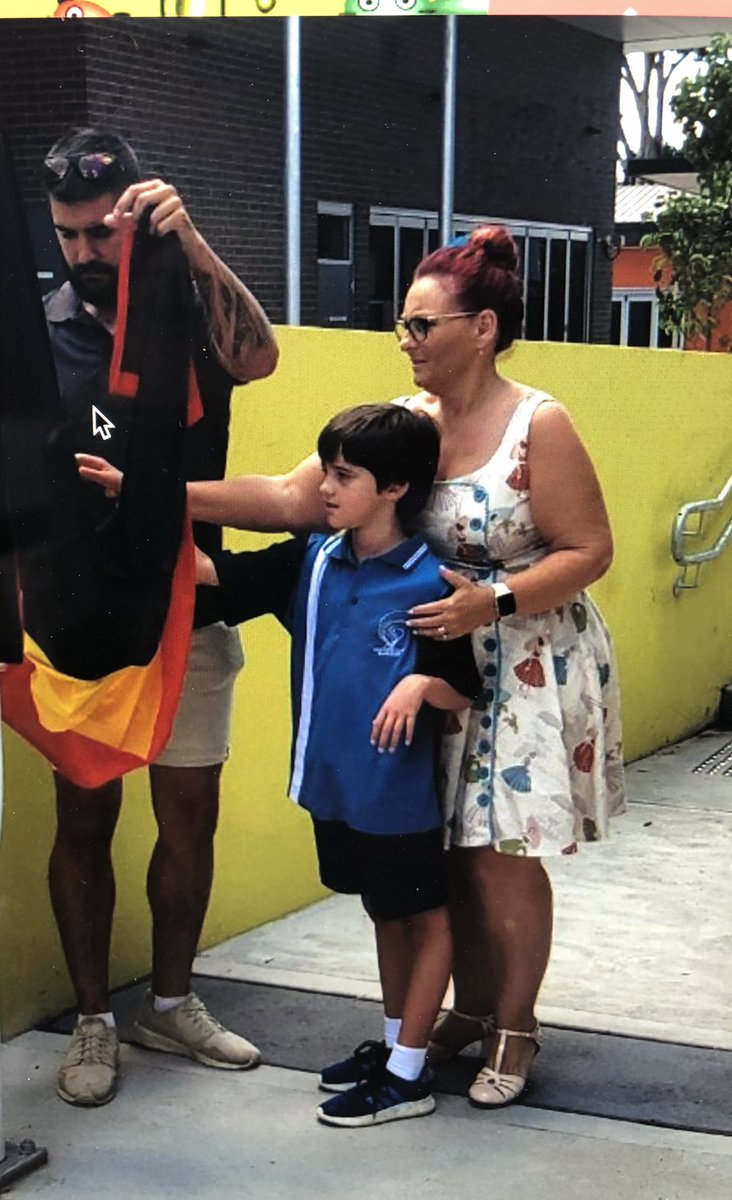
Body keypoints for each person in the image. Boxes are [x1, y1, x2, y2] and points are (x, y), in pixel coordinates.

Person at [187, 225, 624, 1109]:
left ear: (484, 327)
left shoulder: (539, 423)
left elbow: (589, 549)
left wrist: (491, 602)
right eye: (404, 327)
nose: (407, 342)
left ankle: (515, 1025)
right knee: (441, 855)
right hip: (419, 655)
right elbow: (288, 498)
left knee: (500, 855)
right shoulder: (406, 424)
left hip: (520, 659)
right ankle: (456, 1012)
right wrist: (156, 489)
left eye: (423, 325)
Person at [40, 126, 279, 1107]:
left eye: (105, 230)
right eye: (71, 234)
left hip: (192, 599)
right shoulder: (37, 323)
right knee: (85, 813)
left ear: (139, 212)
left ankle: (170, 1002)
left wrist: (196, 245)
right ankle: (95, 1022)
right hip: (82, 620)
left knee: (189, 817)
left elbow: (259, 356)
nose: (88, 250)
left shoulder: (187, 304)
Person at [197, 404, 480, 1127]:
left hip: (396, 796)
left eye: (344, 475)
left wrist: (419, 684)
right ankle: (394, 1051)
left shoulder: (430, 582)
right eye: (327, 469)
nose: (324, 487)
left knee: (427, 920)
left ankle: (409, 1077)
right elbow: (214, 575)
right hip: (333, 788)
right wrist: (130, 503)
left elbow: (463, 688)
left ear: (394, 488)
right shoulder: (315, 560)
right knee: (383, 912)